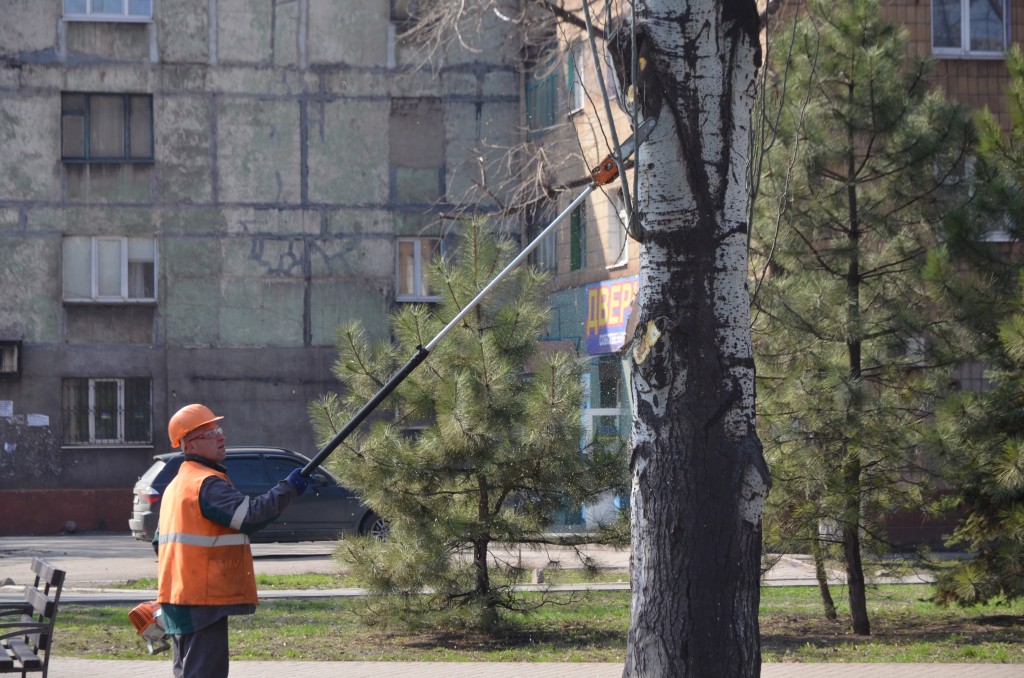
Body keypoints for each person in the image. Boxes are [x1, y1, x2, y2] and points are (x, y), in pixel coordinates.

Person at [156, 403, 308, 678]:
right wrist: (287, 489)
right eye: (210, 433)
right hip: (201, 601)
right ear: (190, 446)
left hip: (179, 599)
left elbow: (160, 543)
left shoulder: (177, 485)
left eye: (218, 429)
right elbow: (249, 516)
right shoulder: (206, 483)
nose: (220, 436)